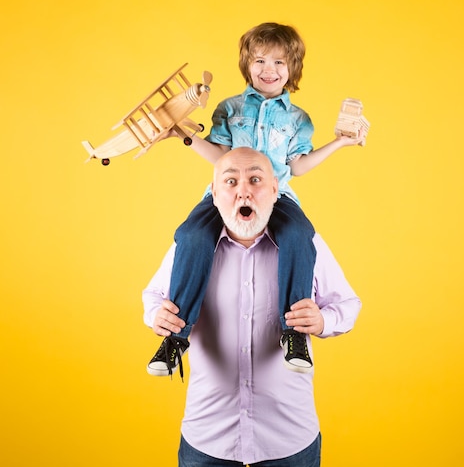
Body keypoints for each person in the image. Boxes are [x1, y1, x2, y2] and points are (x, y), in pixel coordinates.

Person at [147, 22, 367, 378]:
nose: (269, 70)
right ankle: (175, 338)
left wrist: (340, 142)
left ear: (293, 69)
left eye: (279, 63)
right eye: (260, 60)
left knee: (299, 236)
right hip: (227, 194)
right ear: (247, 65)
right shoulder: (230, 108)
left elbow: (298, 166)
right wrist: (181, 136)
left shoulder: (298, 119)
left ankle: (293, 331)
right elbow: (221, 155)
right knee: (191, 236)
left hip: (275, 195)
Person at [143, 147, 362, 466]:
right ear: (214, 194)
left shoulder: (307, 245)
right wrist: (157, 315)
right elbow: (153, 296)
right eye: (230, 182)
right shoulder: (189, 248)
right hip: (209, 435)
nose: (243, 190)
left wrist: (322, 321)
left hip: (288, 437)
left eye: (255, 180)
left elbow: (347, 305)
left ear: (276, 190)